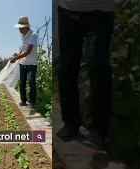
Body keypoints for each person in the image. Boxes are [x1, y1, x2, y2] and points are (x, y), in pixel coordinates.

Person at [56, 0, 114, 149]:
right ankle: (71, 123)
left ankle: (99, 130)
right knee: (66, 68)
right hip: (67, 10)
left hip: (100, 11)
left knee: (99, 67)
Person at [10, 16, 38, 109]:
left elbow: (29, 51)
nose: (19, 30)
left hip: (32, 64)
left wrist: (16, 58)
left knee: (31, 83)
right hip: (23, 64)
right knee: (22, 82)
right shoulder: (23, 36)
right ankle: (23, 100)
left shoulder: (33, 35)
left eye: (20, 28)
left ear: (26, 27)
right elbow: (22, 49)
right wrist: (17, 55)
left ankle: (32, 102)